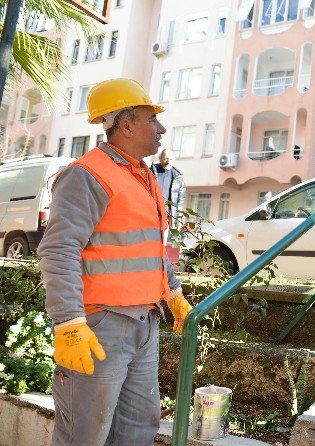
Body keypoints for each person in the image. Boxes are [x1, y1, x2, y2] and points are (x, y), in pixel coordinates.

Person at [38, 78, 193, 446]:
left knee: (137, 429)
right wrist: (69, 323)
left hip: (145, 323)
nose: (161, 128)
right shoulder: (87, 174)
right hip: (101, 326)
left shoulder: (143, 177)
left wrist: (173, 295)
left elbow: (150, 247)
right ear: (125, 124)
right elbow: (59, 250)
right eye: (151, 119)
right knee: (85, 434)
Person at [151, 148, 186, 229]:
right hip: (151, 211)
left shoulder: (178, 177)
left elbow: (181, 201)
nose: (168, 161)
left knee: (165, 239)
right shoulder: (151, 171)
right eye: (166, 158)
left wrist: (179, 220)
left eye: (171, 159)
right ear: (160, 158)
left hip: (168, 215)